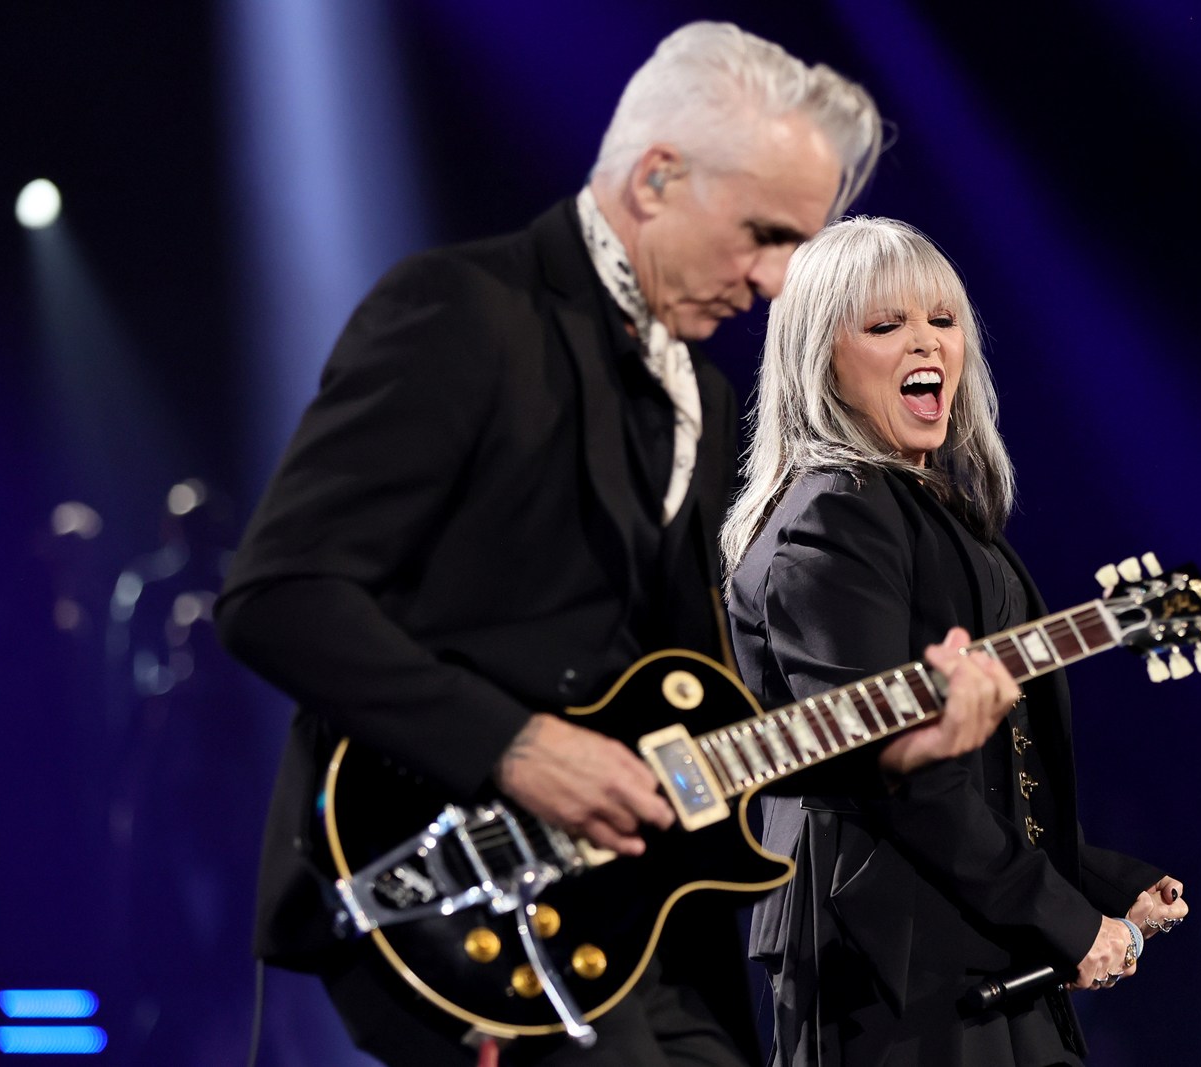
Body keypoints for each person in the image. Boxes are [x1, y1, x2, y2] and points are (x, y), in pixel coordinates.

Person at [217, 24, 1012, 1067]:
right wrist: (515, 744)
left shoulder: (703, 393)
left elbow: (691, 696)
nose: (778, 281)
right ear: (655, 178)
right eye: (763, 234)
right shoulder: (464, 312)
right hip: (447, 883)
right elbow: (278, 594)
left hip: (636, 916)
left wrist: (888, 754)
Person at [722, 217, 1192, 1066]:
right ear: (819, 358)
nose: (925, 342)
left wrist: (1100, 880)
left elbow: (985, 776)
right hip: (893, 960)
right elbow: (898, 773)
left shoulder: (935, 511)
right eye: (885, 324)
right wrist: (1064, 918)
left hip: (970, 936)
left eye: (942, 319)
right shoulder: (836, 513)